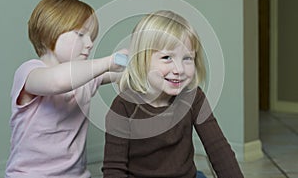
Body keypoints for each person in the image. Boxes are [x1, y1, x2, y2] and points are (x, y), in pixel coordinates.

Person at [102, 10, 244, 178]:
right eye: (167, 57)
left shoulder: (193, 97)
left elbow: (218, 148)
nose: (179, 70)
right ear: (142, 59)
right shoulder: (123, 106)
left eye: (187, 58)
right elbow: (114, 169)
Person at [5, 0, 127, 178]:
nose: (89, 44)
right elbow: (58, 82)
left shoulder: (86, 77)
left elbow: (124, 75)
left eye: (92, 37)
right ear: (49, 32)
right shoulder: (30, 72)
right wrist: (109, 61)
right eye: (80, 34)